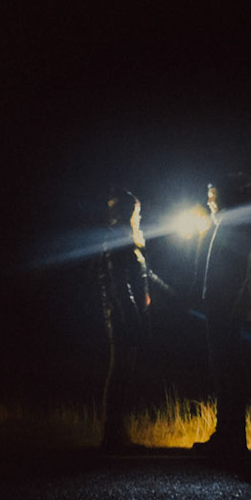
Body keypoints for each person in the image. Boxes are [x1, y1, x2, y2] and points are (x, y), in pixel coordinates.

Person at [196, 173, 251, 454]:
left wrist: (228, 303)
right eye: (209, 195)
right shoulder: (223, 223)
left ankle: (230, 437)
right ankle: (228, 435)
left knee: (227, 369)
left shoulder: (232, 225)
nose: (210, 200)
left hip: (225, 307)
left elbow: (235, 271)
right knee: (224, 369)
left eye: (213, 194)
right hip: (221, 305)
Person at [95, 187, 161, 451]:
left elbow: (142, 275)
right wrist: (131, 316)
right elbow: (119, 284)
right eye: (135, 211)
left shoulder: (129, 239)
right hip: (122, 316)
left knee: (123, 373)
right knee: (119, 372)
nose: (139, 216)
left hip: (127, 314)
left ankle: (116, 435)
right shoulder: (117, 238)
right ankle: (112, 436)